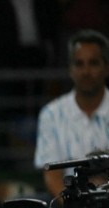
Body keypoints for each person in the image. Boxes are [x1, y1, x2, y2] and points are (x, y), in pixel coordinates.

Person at [35, 29, 109, 199]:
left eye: (94, 63)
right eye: (79, 64)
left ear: (107, 68)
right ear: (70, 69)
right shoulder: (51, 115)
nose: (86, 71)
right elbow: (52, 177)